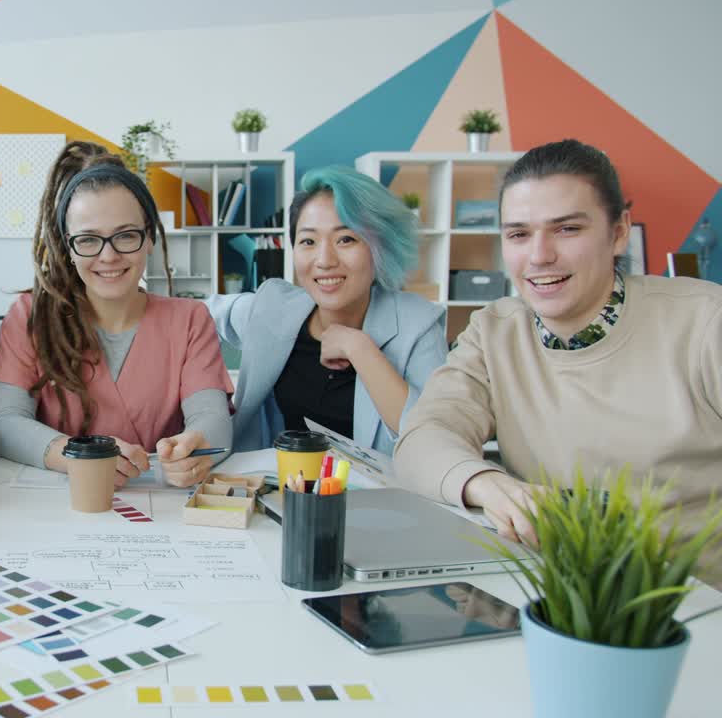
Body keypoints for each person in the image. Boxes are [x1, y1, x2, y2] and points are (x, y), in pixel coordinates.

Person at [393, 139, 722, 578]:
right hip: (554, 599)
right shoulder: (494, 331)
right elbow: (421, 438)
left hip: (689, 614)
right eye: (518, 234)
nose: (539, 255)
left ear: (619, 231)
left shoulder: (705, 323)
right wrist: (485, 483)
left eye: (567, 229)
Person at [0, 142, 233, 487]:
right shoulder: (29, 317)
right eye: (88, 240)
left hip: (160, 507)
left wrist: (196, 446)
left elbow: (212, 418)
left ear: (150, 237)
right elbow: (4, 423)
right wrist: (81, 456)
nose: (108, 256)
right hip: (54, 505)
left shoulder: (190, 319)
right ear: (68, 246)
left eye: (126, 236)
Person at [207, 165, 447, 454]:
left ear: (380, 246)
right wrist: (202, 404)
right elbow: (187, 318)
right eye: (308, 241)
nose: (324, 260)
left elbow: (433, 442)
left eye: (345, 239)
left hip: (376, 496)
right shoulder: (273, 307)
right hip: (278, 491)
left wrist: (360, 350)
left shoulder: (418, 325)